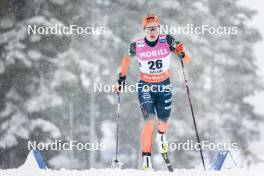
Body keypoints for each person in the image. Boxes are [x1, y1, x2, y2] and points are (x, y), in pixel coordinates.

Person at [116, 14, 190, 170]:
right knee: (149, 121)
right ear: (144, 30)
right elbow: (126, 59)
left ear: (159, 28)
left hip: (164, 87)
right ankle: (146, 160)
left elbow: (186, 58)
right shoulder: (137, 46)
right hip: (146, 88)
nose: (152, 31)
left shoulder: (167, 41)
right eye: (149, 29)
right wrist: (121, 78)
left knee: (163, 123)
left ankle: (162, 135)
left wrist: (182, 52)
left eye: (155, 28)